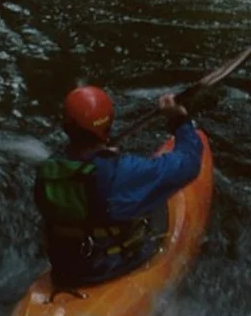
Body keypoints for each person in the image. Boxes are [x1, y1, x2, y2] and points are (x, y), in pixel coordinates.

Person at [33, 85, 202, 287]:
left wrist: (103, 154)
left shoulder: (49, 170)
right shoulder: (120, 173)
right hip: (109, 267)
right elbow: (189, 164)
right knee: (155, 207)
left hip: (66, 267)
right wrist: (180, 120)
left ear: (66, 126)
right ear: (107, 125)